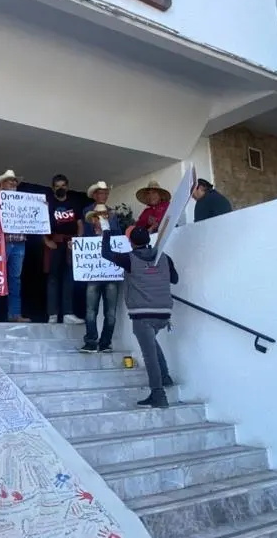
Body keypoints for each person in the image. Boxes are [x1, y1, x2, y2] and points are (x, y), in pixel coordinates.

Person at [101, 225, 177, 408]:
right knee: (152, 344)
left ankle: (158, 394)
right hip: (164, 313)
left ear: (131, 242)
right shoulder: (165, 258)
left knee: (149, 355)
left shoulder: (129, 259)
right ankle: (165, 377)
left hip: (142, 314)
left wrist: (106, 231)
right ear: (148, 240)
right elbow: (174, 279)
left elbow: (105, 253)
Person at [77, 201, 123, 353]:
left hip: (111, 278)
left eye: (105, 216)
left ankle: (105, 343)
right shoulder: (87, 236)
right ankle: (91, 342)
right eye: (98, 216)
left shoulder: (116, 235)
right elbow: (80, 252)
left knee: (110, 313)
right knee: (90, 311)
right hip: (93, 277)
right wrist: (74, 247)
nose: (102, 219)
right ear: (93, 219)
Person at [0, 169, 31, 324]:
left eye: (14, 181)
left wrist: (40, 207)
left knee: (15, 279)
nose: (13, 183)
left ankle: (14, 314)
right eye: (10, 180)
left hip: (19, 242)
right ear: (2, 184)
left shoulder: (23, 200)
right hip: (1, 242)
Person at [44, 173, 84, 325]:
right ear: (53, 188)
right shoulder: (48, 204)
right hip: (55, 242)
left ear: (67, 186)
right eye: (57, 186)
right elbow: (39, 223)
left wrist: (78, 241)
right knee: (53, 278)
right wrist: (46, 241)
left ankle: (68, 313)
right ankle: (52, 314)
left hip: (71, 244)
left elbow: (80, 224)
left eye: (63, 185)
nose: (60, 188)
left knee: (69, 277)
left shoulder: (74, 203)